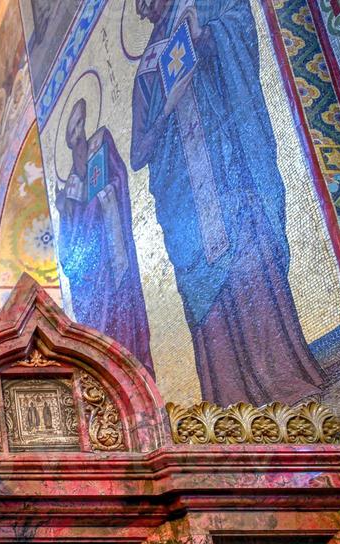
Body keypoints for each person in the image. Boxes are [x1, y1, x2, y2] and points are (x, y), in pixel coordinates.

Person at [130, 0, 324, 405]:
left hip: (230, 174)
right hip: (184, 202)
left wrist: (204, 36)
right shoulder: (147, 67)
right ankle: (228, 402)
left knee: (251, 260)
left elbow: (239, 37)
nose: (145, 5)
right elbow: (137, 152)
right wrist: (167, 105)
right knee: (205, 290)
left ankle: (284, 377)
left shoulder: (203, 11)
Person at [56, 99, 153, 372]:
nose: (76, 134)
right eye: (71, 132)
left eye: (78, 125)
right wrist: (64, 212)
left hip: (112, 253)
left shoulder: (101, 142)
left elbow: (119, 175)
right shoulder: (71, 182)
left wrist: (101, 200)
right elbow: (69, 243)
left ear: (84, 124)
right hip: (90, 278)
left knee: (122, 313)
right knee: (96, 325)